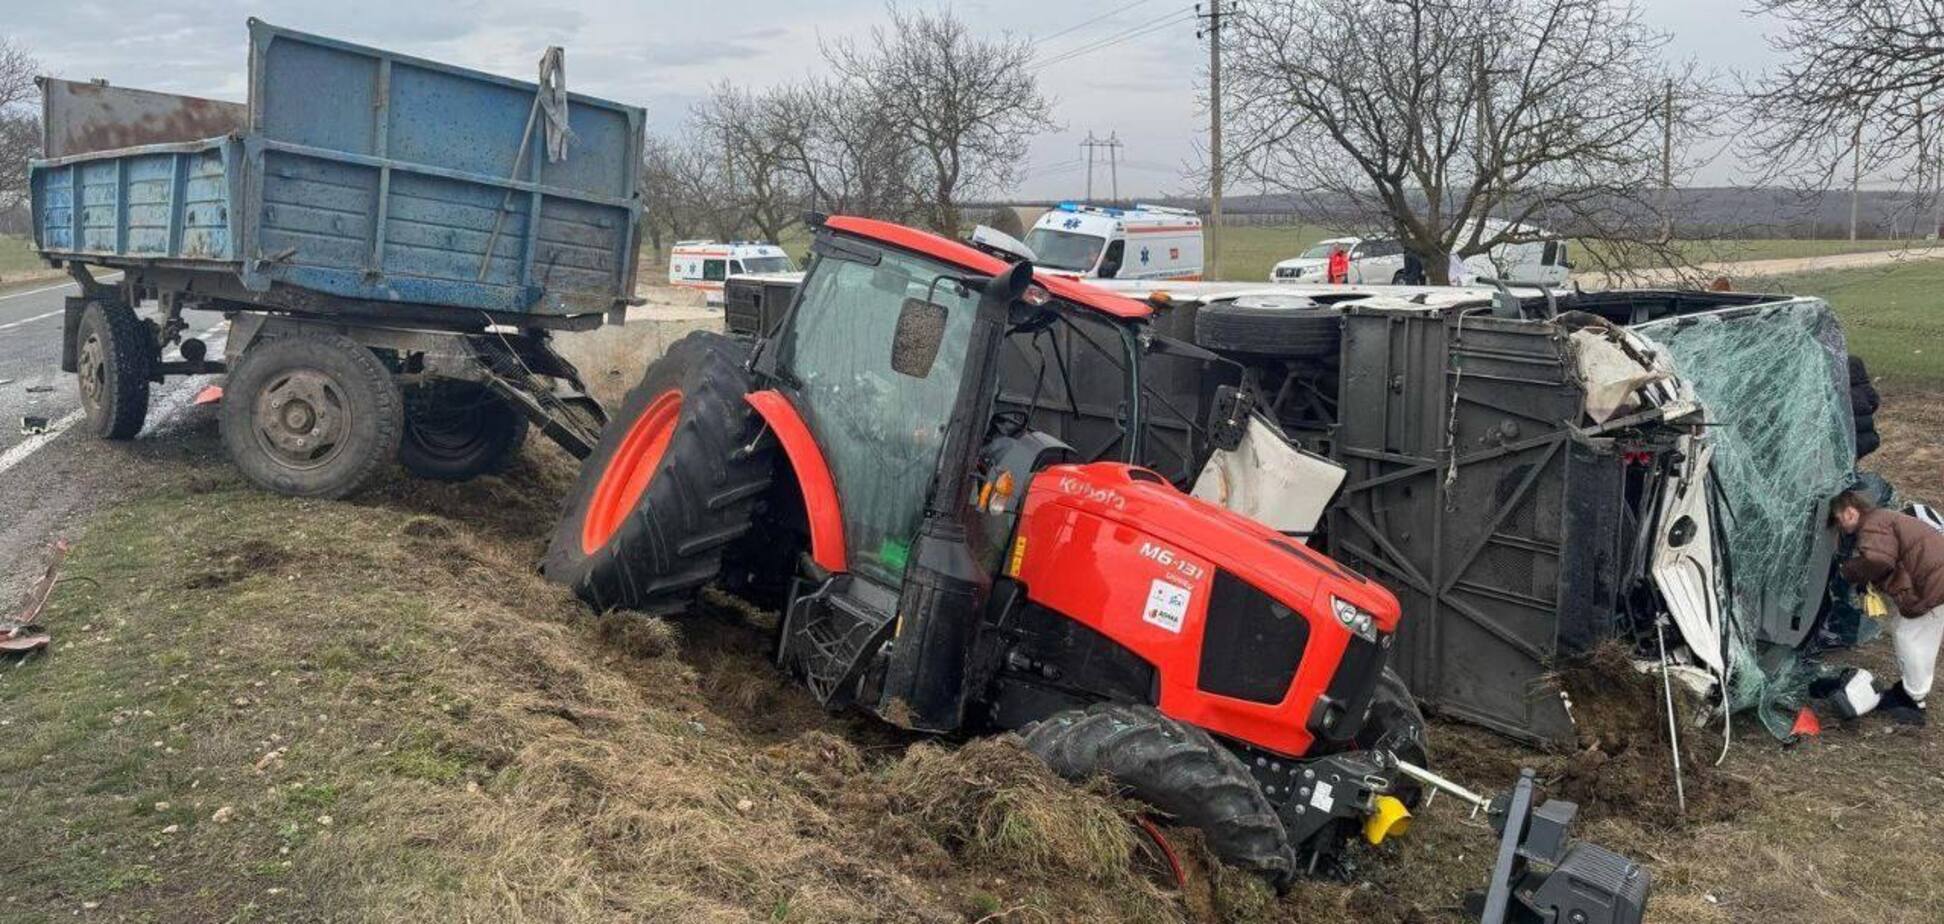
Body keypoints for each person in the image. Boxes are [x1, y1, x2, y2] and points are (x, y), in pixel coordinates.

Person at [1829, 491, 1944, 724]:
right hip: (1934, 581)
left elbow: (1878, 560)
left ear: (1851, 511)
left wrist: (1847, 571)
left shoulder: (1873, 523)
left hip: (1934, 585)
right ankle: (1909, 692)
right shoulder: (1882, 518)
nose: (1839, 527)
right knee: (1907, 631)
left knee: (1910, 638)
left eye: (1838, 519)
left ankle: (1914, 702)